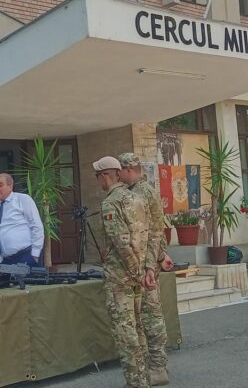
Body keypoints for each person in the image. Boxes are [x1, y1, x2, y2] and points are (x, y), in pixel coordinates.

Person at [94, 156, 152, 388]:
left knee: (125, 330)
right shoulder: (137, 198)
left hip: (122, 276)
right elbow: (149, 235)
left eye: (98, 177)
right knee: (137, 326)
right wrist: (144, 269)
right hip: (138, 272)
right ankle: (144, 377)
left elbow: (121, 242)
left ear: (104, 176)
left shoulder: (110, 203)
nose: (99, 182)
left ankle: (135, 382)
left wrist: (135, 270)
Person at [118, 153, 172, 386]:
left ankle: (158, 367)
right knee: (145, 317)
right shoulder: (137, 190)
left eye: (120, 170)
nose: (118, 175)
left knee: (150, 316)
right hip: (145, 261)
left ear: (128, 170)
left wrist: (151, 263)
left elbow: (154, 232)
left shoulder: (141, 193)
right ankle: (154, 366)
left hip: (146, 264)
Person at [0, 173, 44, 267]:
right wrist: (0, 258)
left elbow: (36, 226)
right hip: (6, 260)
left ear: (10, 186)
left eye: (0, 185)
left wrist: (35, 254)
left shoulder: (22, 199)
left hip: (26, 256)